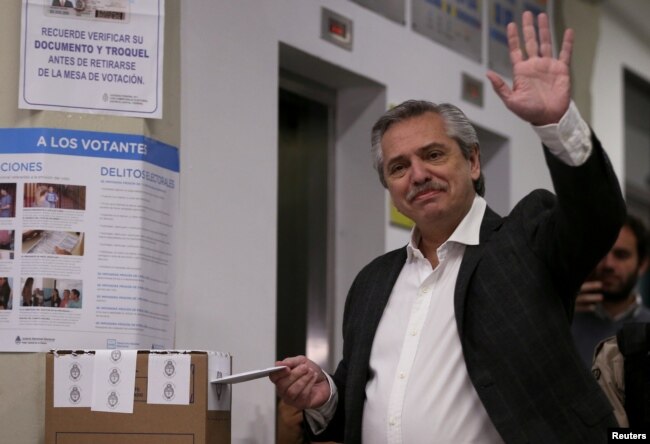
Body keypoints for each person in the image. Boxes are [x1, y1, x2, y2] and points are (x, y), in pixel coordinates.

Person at [271, 11, 626, 443]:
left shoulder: (526, 241)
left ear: (473, 162)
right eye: (399, 167)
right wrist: (326, 397)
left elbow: (597, 216)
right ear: (390, 187)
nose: (417, 175)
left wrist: (557, 123)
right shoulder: (373, 282)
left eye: (434, 155)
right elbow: (362, 403)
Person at [571, 215, 650, 366]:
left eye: (621, 255)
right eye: (601, 253)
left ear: (642, 264)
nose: (608, 264)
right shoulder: (565, 320)